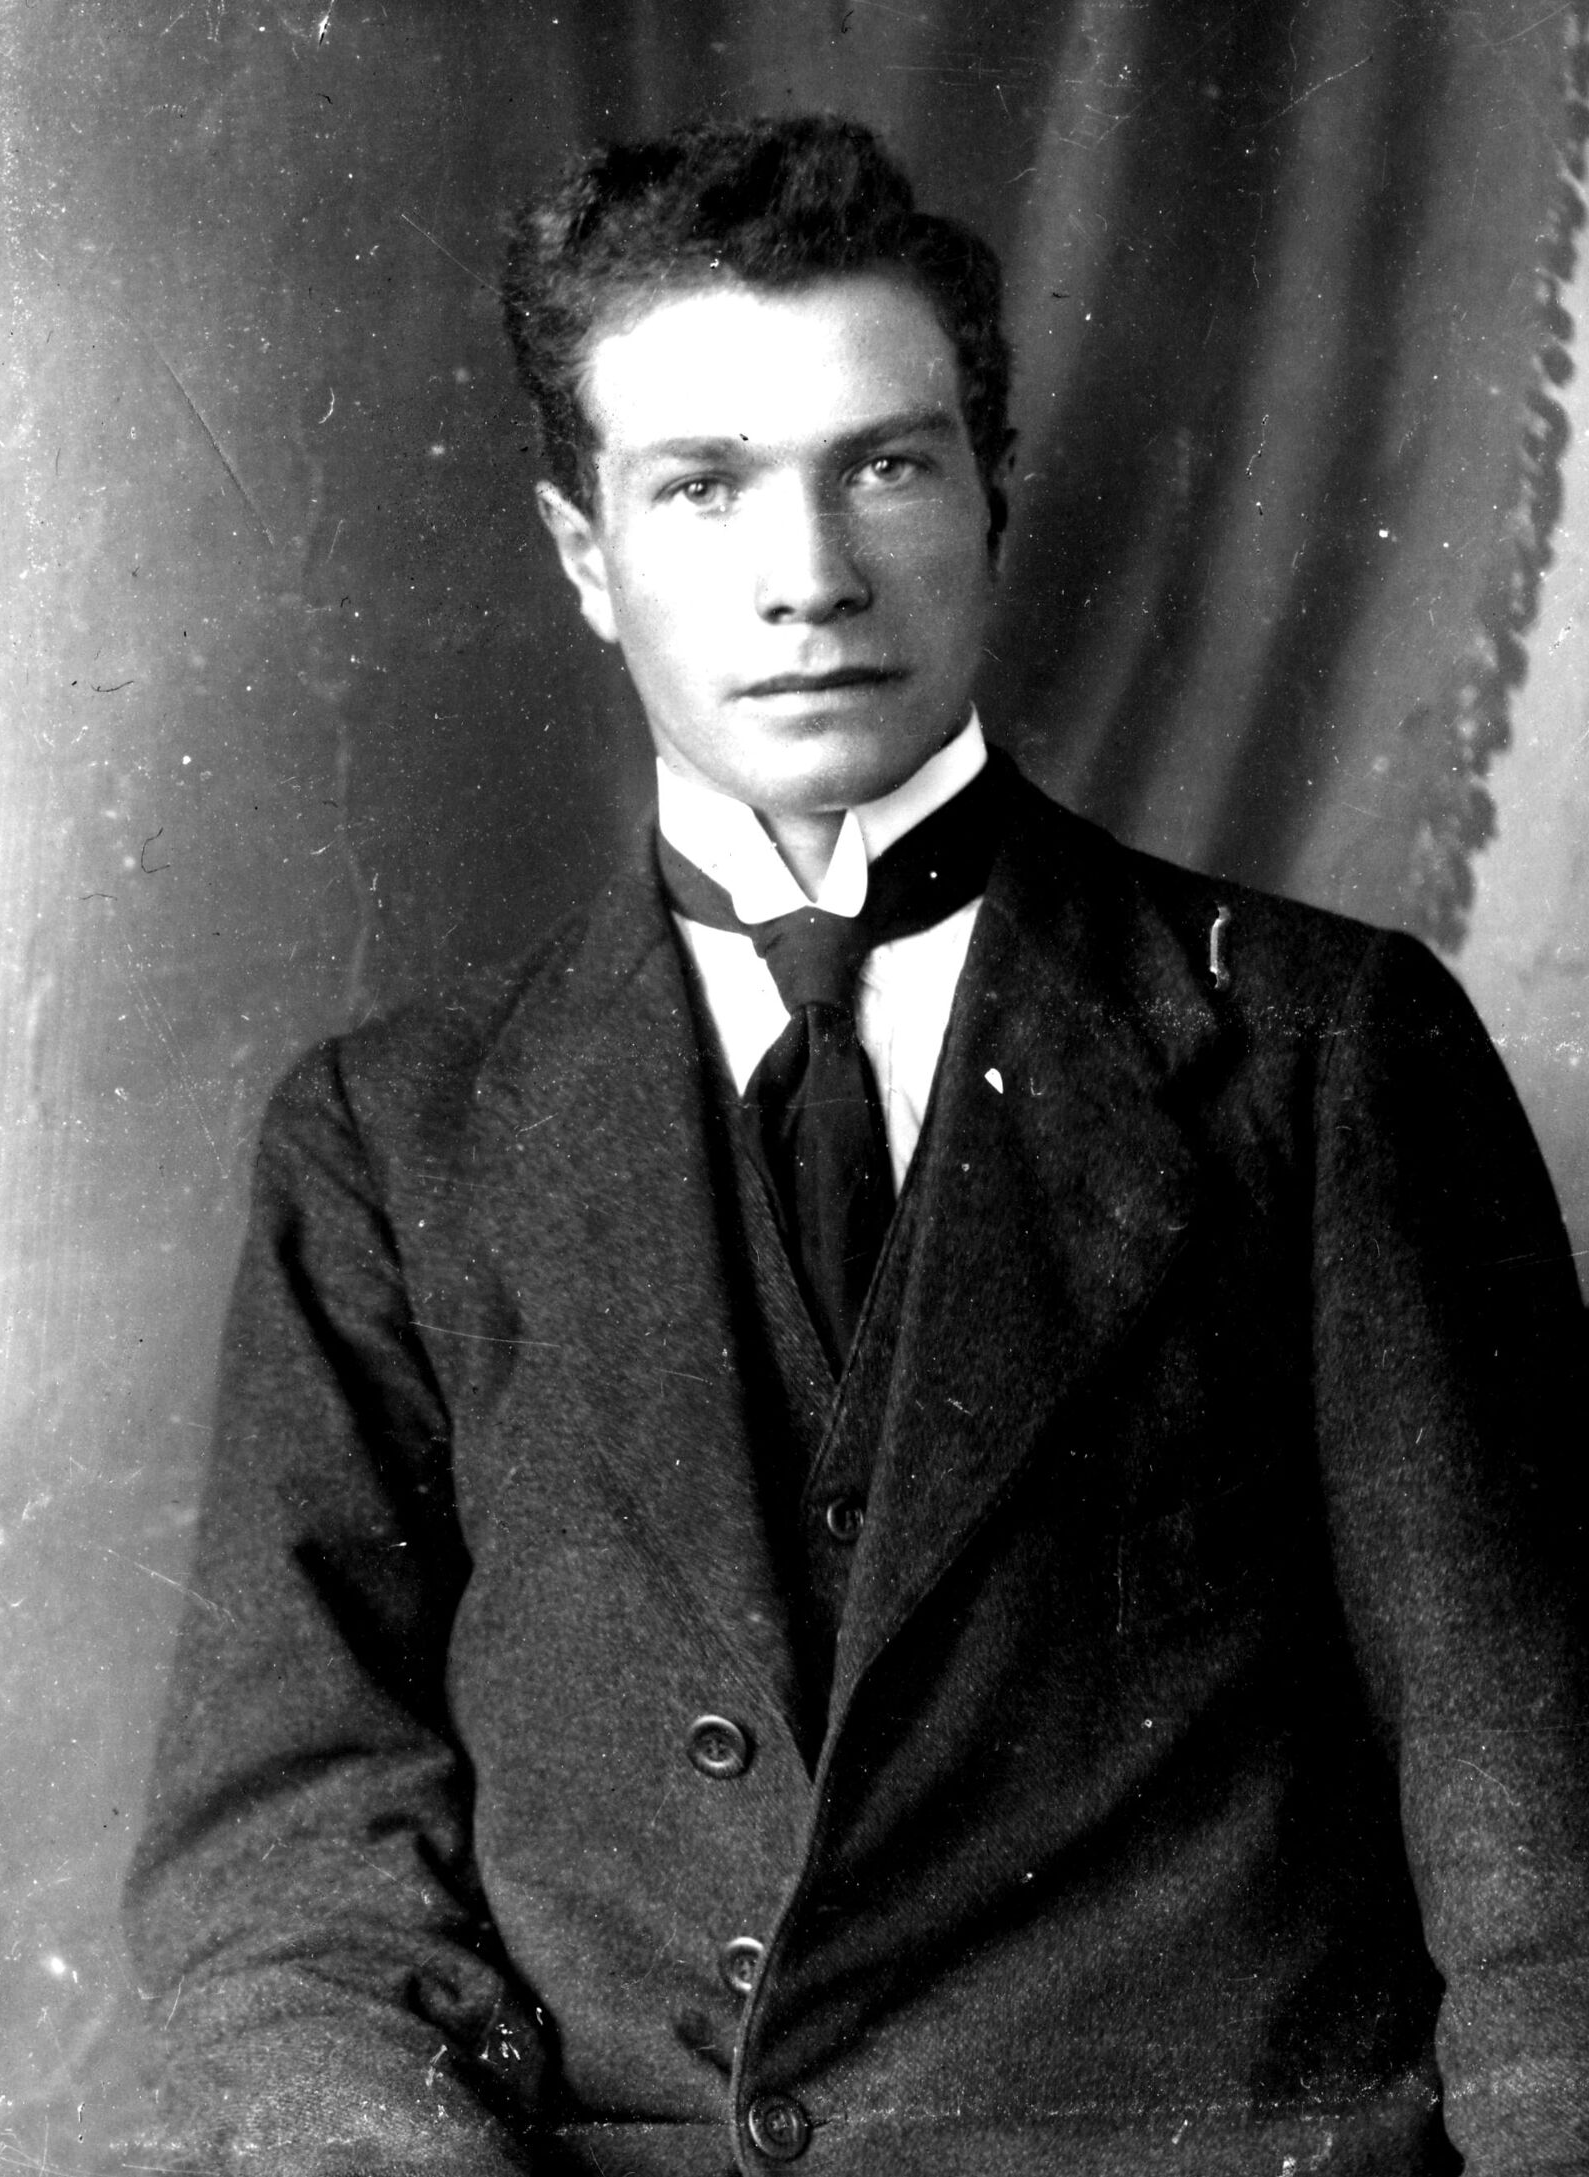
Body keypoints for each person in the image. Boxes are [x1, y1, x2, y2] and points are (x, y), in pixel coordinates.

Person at [122, 114, 1589, 2177]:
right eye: (701, 487)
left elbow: (1539, 1802)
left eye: (883, 467)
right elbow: (289, 1847)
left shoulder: (1319, 1048)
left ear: (992, 496)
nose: (807, 578)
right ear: (582, 554)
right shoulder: (392, 1137)